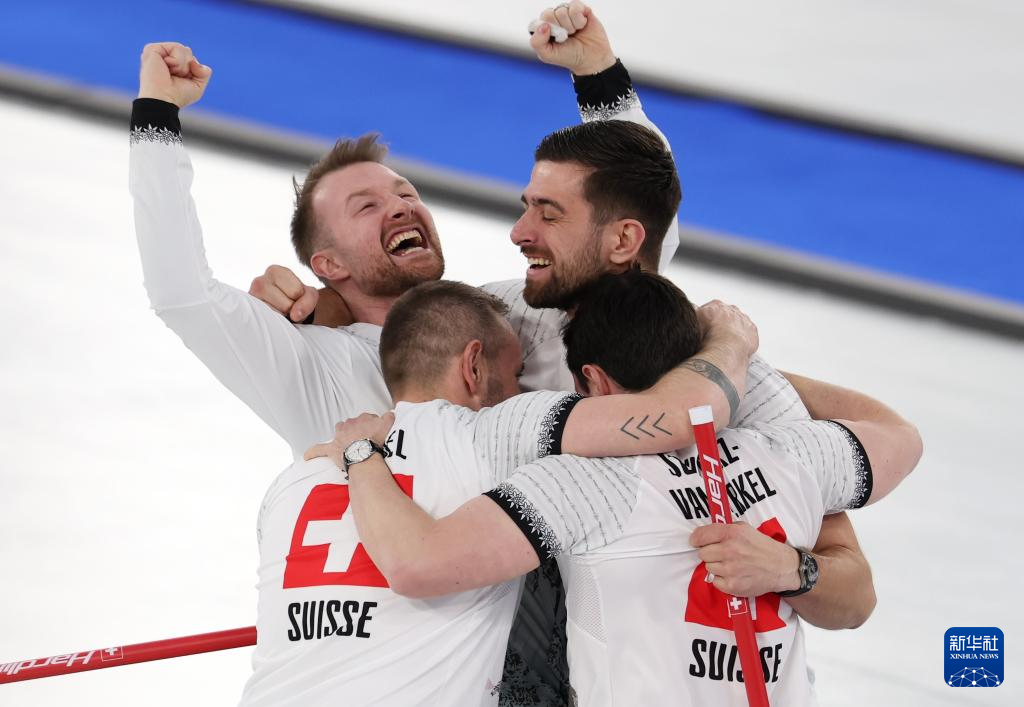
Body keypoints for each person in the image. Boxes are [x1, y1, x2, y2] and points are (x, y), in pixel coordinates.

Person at [310, 270, 922, 706]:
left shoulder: (580, 483)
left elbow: (420, 563)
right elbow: (900, 437)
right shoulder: (786, 454)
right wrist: (740, 363)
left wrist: (362, 454)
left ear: (592, 382)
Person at [241, 278, 759, 705]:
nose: (519, 390)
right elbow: (686, 416)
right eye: (515, 374)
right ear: (473, 367)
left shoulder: (297, 478)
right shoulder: (493, 432)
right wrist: (730, 338)